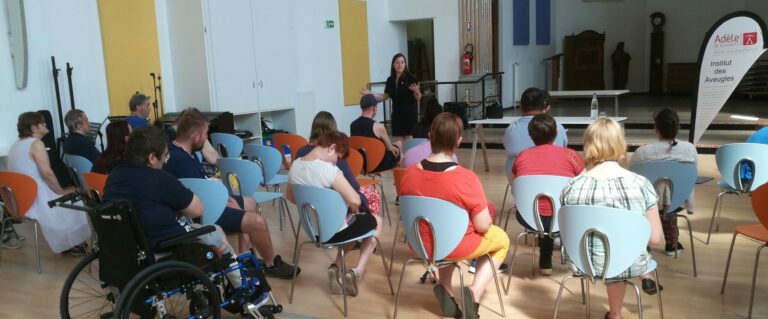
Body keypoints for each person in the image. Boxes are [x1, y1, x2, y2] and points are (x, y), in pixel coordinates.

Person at [163, 109, 299, 279]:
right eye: (205, 134)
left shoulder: (175, 151)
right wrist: (222, 202)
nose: (206, 138)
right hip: (199, 212)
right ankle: (271, 264)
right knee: (257, 221)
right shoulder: (181, 159)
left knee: (249, 202)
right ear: (195, 135)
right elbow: (200, 195)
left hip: (203, 203)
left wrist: (224, 198)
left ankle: (244, 260)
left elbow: (202, 187)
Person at [400, 113, 510, 319]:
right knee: (501, 240)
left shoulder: (409, 173)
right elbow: (483, 225)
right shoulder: (465, 177)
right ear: (459, 141)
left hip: (420, 243)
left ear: (430, 136)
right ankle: (475, 292)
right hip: (455, 245)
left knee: (443, 231)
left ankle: (445, 287)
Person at [560, 118, 663, 319]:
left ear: (587, 144)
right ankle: (615, 314)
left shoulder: (571, 186)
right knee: (620, 251)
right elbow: (655, 238)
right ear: (620, 143)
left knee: (608, 251)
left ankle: (615, 313)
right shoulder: (640, 184)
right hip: (628, 263)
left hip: (583, 261)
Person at [102, 127, 234, 258]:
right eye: (165, 156)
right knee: (215, 230)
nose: (165, 162)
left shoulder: (114, 176)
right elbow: (197, 210)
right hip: (165, 248)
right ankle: (239, 277)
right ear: (152, 157)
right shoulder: (159, 178)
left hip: (128, 251)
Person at [285, 131, 381, 297]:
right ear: (331, 148)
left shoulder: (295, 166)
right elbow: (355, 201)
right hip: (335, 231)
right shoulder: (328, 170)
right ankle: (359, 270)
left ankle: (336, 267)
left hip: (313, 231)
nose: (337, 161)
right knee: (376, 221)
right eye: (338, 156)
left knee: (350, 224)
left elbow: (290, 197)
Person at [7, 112, 91, 254]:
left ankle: (68, 242)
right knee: (73, 195)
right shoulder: (36, 144)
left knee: (67, 193)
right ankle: (73, 244)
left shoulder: (15, 145)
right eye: (42, 123)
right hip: (35, 196)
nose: (46, 125)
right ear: (34, 128)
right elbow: (47, 174)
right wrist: (60, 191)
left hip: (19, 201)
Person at [512, 113, 584, 275]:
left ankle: (546, 259)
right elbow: (584, 184)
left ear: (530, 136)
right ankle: (573, 256)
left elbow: (516, 186)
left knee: (543, 212)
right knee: (563, 211)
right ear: (556, 133)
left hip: (528, 217)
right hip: (564, 217)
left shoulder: (522, 157)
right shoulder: (570, 155)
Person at [630, 108, 697, 256]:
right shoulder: (690, 149)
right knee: (668, 201)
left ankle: (645, 243)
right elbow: (692, 175)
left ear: (656, 128)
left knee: (653, 199)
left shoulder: (642, 152)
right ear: (677, 128)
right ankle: (672, 244)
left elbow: (633, 179)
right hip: (677, 200)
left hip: (649, 203)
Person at [295, 111, 379, 215]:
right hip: (335, 206)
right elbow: (352, 185)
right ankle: (370, 222)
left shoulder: (300, 153)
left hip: (310, 209)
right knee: (372, 194)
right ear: (332, 132)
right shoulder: (333, 155)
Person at [360, 53, 421, 142]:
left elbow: (418, 98)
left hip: (409, 114)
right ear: (393, 65)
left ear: (405, 64)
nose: (400, 65)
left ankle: (410, 156)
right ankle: (400, 156)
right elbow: (385, 96)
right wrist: (371, 94)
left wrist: (417, 92)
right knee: (399, 140)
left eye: (402, 62)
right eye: (397, 62)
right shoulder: (390, 80)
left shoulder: (411, 78)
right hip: (396, 114)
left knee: (409, 139)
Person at [503, 87, 568, 164]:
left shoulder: (511, 128)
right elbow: (563, 149)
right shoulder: (557, 126)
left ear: (520, 106)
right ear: (546, 107)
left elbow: (508, 149)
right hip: (553, 171)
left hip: (520, 173)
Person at [350, 94, 402, 172]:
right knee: (399, 143)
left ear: (362, 107)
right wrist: (397, 148)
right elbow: (389, 148)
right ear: (374, 108)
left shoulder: (353, 125)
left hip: (363, 164)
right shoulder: (378, 127)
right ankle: (398, 174)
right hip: (380, 164)